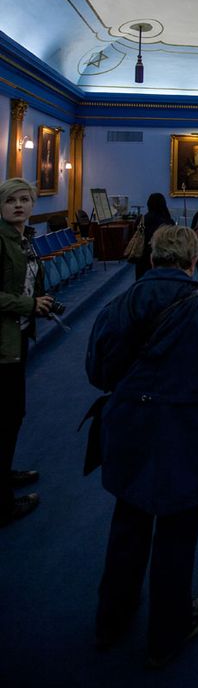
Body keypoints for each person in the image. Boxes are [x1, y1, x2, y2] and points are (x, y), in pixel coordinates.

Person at [86, 225, 198, 667]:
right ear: (193, 261)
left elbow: (98, 372)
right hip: (190, 435)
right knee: (177, 536)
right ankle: (166, 632)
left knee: (127, 527)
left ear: (154, 256)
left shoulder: (120, 304)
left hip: (131, 433)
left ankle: (111, 620)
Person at [0, 178, 54, 527]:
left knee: (13, 414)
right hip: (2, 342)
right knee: (4, 418)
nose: (18, 205)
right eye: (10, 201)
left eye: (24, 199)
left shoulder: (25, 240)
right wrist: (28, 304)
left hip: (16, 337)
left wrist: (40, 302)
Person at [135, 193, 173, 280]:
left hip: (143, 259)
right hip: (162, 260)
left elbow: (138, 236)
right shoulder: (167, 222)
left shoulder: (143, 220)